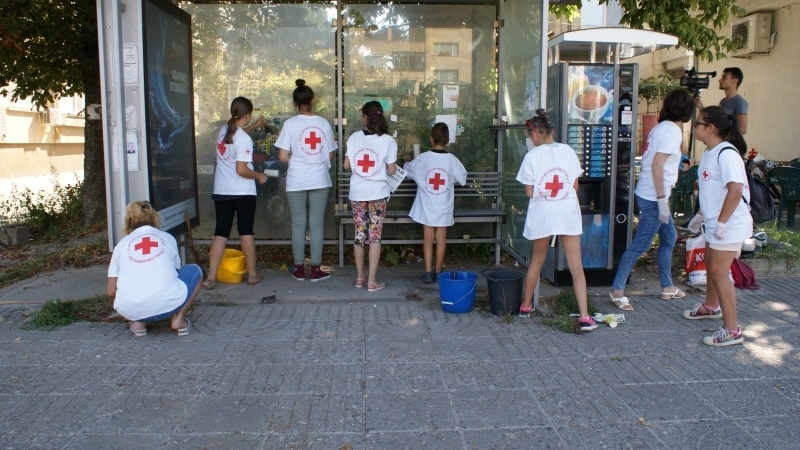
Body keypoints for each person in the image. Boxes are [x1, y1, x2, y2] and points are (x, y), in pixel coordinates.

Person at [609, 89, 694, 310]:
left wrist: (678, 164)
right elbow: (657, 164)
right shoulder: (673, 130)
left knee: (669, 237)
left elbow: (657, 161)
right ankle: (617, 290)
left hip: (650, 191)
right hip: (655, 196)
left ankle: (667, 287)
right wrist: (662, 200)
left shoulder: (660, 128)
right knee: (641, 244)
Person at [515, 109, 596, 331]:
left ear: (535, 133)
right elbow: (575, 186)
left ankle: (525, 306)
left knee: (537, 260)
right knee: (576, 265)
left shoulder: (532, 157)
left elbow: (529, 192)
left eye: (530, 136)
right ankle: (585, 316)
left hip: (543, 213)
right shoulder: (568, 151)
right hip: (567, 212)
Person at [683, 106, 752, 346]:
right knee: (712, 266)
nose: (695, 128)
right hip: (715, 222)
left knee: (719, 272)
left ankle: (732, 330)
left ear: (710, 128)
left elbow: (735, 190)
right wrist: (701, 215)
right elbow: (712, 190)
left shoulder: (727, 153)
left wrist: (721, 223)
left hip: (730, 223)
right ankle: (711, 306)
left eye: (698, 124)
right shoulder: (710, 152)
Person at [107, 201, 202, 337]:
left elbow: (111, 291)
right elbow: (174, 273)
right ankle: (179, 320)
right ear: (155, 219)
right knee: (195, 270)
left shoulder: (121, 245)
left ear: (128, 222)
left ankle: (139, 323)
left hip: (128, 310)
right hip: (167, 307)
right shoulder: (167, 238)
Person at [276, 79, 337, 282]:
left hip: (296, 180)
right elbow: (330, 155)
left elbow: (282, 156)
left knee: (298, 224)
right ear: (313, 100)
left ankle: (299, 269)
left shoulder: (290, 124)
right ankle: (316, 270)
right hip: (319, 179)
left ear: (295, 103)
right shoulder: (323, 123)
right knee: (316, 223)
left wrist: (298, 159)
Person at [204, 97, 268, 290]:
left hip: (222, 191)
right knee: (246, 232)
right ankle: (252, 275)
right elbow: (241, 170)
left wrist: (254, 126)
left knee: (220, 233)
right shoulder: (243, 139)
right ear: (247, 115)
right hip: (243, 192)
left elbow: (237, 138)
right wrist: (259, 176)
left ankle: (211, 278)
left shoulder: (224, 131)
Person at [342, 101, 397, 291]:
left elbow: (346, 165)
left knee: (359, 235)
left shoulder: (354, 138)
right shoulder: (388, 141)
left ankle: (360, 278)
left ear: (365, 117)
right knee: (374, 236)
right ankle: (372, 281)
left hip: (358, 193)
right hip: (378, 194)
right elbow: (391, 169)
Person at [404, 123, 467, 283]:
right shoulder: (452, 160)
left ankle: (427, 272)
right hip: (444, 204)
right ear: (447, 141)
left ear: (431, 139)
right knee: (441, 237)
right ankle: (438, 272)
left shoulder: (423, 158)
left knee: (427, 237)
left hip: (427, 205)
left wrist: (407, 161)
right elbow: (462, 178)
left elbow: (408, 170)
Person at [698, 67, 748, 135]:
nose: (720, 80)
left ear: (734, 82)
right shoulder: (723, 101)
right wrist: (700, 107)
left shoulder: (739, 102)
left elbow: (743, 129)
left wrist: (723, 136)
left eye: (724, 78)